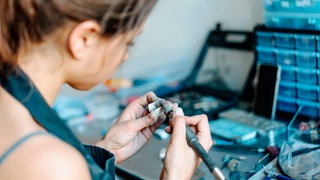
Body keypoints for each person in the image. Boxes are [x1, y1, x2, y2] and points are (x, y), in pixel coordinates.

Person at [0, 0, 213, 179]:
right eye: (128, 43)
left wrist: (106, 150)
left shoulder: (10, 99)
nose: (125, 56)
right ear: (85, 39)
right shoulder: (52, 166)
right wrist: (174, 176)